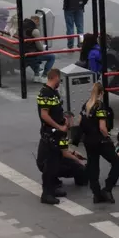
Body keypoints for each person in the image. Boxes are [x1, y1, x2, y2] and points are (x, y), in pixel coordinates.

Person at [79, 82, 119, 203]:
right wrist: (108, 136)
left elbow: (80, 121)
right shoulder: (100, 106)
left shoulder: (86, 105)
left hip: (88, 141)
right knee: (116, 162)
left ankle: (96, 194)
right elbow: (102, 127)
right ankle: (107, 188)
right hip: (100, 141)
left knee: (93, 167)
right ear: (101, 93)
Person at [36, 68, 67, 205]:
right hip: (50, 135)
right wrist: (58, 126)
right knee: (49, 165)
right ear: (54, 77)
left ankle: (53, 187)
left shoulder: (53, 93)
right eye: (59, 79)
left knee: (55, 164)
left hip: (57, 135)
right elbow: (44, 115)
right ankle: (47, 193)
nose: (59, 82)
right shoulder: (46, 93)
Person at [36, 111, 87, 189]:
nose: (73, 123)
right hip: (49, 164)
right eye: (72, 120)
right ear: (66, 119)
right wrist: (79, 161)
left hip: (42, 162)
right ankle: (80, 180)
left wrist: (73, 152)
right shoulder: (62, 132)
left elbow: (62, 147)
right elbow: (65, 153)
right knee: (79, 167)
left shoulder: (54, 129)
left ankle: (53, 178)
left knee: (61, 158)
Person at [24, 15, 55, 84]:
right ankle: (44, 76)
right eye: (39, 22)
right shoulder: (34, 30)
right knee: (51, 56)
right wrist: (43, 48)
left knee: (36, 54)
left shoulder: (22, 26)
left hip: (22, 53)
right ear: (36, 20)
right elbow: (40, 48)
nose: (39, 24)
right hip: (30, 55)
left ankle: (37, 75)